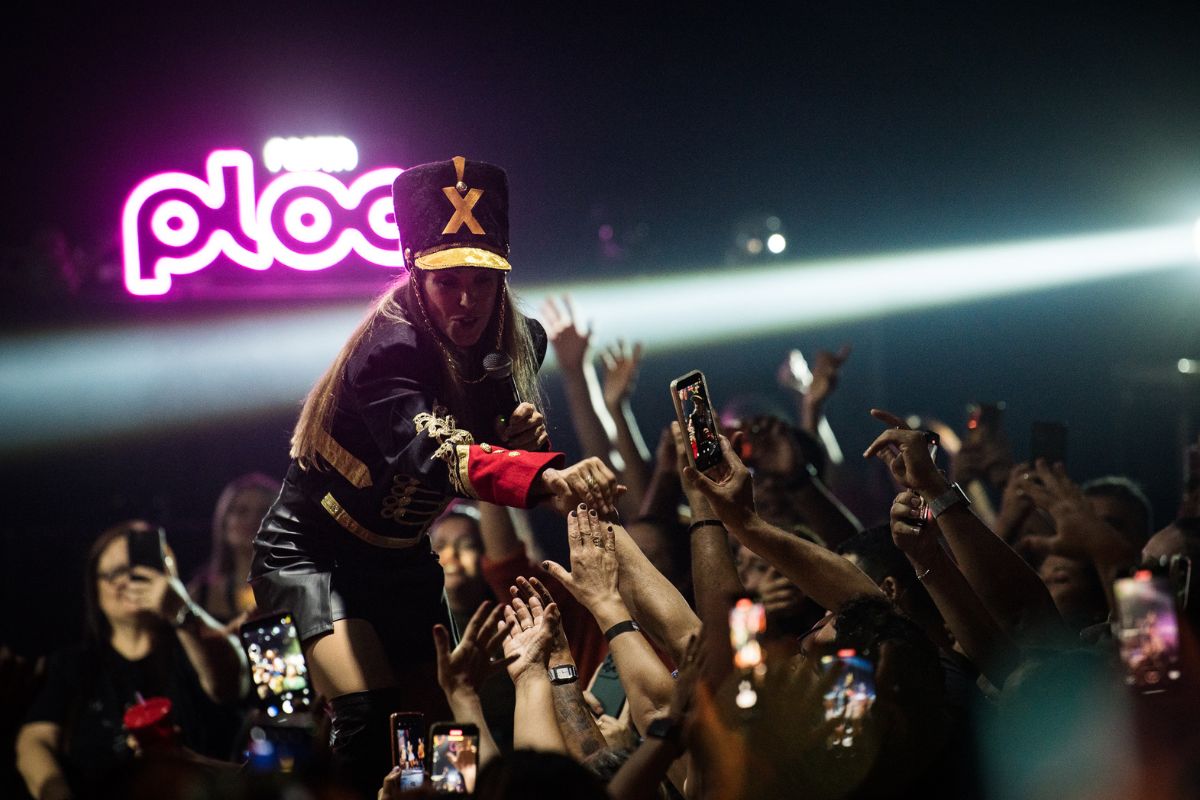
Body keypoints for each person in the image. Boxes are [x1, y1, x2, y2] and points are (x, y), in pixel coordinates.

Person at [249, 156, 621, 794]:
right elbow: (434, 453)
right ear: (415, 275)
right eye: (448, 281)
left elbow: (493, 448)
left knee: (444, 732)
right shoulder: (386, 350)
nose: (468, 299)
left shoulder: (517, 338)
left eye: (482, 278)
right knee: (367, 721)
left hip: (405, 558)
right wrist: (544, 473)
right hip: (314, 554)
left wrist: (516, 442)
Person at [16, 521, 245, 800]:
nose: (133, 580)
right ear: (95, 588)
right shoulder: (74, 664)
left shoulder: (196, 638)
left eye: (147, 565)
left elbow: (228, 684)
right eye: (117, 573)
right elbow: (34, 741)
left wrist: (181, 613)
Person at [189, 473, 279, 627]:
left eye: (264, 511)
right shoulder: (200, 594)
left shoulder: (297, 588)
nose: (252, 520)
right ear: (224, 522)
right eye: (242, 511)